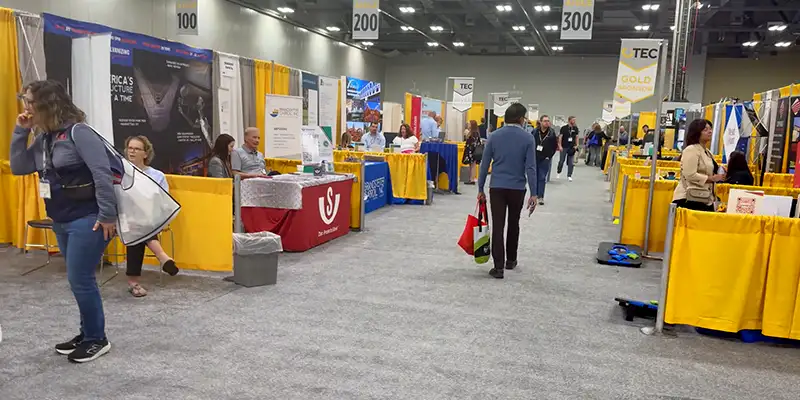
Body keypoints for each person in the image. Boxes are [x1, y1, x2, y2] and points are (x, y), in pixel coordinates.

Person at [10, 80, 115, 363]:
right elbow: (19, 167)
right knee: (78, 280)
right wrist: (21, 131)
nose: (25, 105)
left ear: (46, 103)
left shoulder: (79, 133)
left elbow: (102, 173)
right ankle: (87, 332)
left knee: (80, 278)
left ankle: (97, 339)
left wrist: (107, 215)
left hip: (89, 217)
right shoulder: (45, 138)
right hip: (62, 217)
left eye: (29, 100)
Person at [478, 104, 537, 279]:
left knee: (498, 226)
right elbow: (531, 168)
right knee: (514, 223)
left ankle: (498, 268)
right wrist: (534, 193)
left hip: (497, 187)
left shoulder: (494, 136)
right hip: (517, 188)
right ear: (520, 119)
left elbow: (484, 164)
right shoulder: (528, 138)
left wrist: (480, 187)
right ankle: (511, 260)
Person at [124, 136, 180, 298]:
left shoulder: (157, 176)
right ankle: (162, 256)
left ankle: (133, 283)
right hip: (125, 219)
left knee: (139, 226)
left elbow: (164, 201)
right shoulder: (122, 173)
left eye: (136, 149)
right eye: (130, 148)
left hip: (151, 218)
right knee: (136, 224)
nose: (132, 152)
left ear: (146, 154)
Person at [672, 119, 724, 211]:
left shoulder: (707, 152)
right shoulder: (691, 150)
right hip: (689, 199)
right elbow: (690, 175)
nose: (710, 131)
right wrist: (710, 178)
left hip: (705, 198)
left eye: (710, 128)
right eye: (705, 129)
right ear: (696, 133)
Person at [532, 115, 559, 205]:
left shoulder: (551, 133)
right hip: (535, 157)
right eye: (545, 121)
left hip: (545, 158)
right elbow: (530, 144)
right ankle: (534, 195)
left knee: (542, 177)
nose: (547, 122)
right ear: (540, 122)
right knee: (534, 177)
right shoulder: (535, 132)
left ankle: (540, 197)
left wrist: (549, 156)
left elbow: (554, 146)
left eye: (548, 121)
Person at [556, 116, 579, 181]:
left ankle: (569, 175)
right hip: (564, 146)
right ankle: (559, 172)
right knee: (561, 161)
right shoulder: (563, 128)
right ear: (569, 120)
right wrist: (559, 145)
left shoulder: (575, 128)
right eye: (573, 120)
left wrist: (576, 145)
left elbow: (577, 137)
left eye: (575, 120)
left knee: (571, 162)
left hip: (571, 147)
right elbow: (560, 137)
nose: (574, 121)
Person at [461, 120, 481, 184]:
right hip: (474, 151)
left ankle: (471, 179)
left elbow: (471, 143)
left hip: (472, 151)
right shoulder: (476, 133)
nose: (468, 125)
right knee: (472, 165)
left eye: (469, 124)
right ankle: (471, 178)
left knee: (472, 165)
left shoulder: (473, 133)